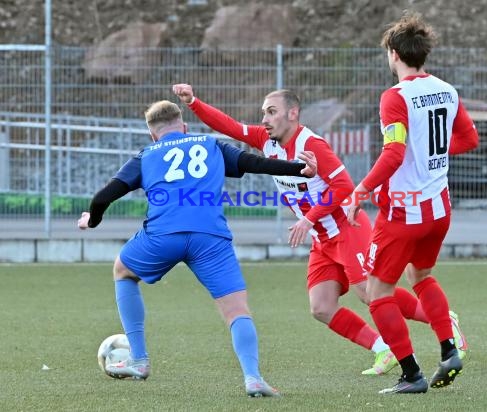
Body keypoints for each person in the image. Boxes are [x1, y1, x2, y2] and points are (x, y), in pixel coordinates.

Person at [172, 83, 468, 376]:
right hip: (322, 238)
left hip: (346, 228)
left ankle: (441, 320)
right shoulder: (266, 140)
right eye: (264, 112)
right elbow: (229, 126)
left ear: (293, 114)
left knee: (369, 292)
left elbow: (343, 187)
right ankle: (383, 348)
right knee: (321, 306)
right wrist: (193, 101)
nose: (264, 119)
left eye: (271, 112)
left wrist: (308, 218)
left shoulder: (312, 145)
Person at [77, 100, 319, 397]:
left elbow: (104, 196)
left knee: (123, 271)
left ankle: (139, 360)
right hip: (210, 238)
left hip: (163, 235)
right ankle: (253, 378)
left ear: (153, 134)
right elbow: (253, 163)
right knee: (236, 311)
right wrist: (299, 169)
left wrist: (93, 219)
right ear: (185, 126)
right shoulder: (211, 144)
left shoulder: (147, 154)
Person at [346, 11, 479, 394]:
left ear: (393, 53)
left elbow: (392, 154)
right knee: (420, 277)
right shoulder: (446, 90)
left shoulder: (395, 96)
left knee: (377, 293)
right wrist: (429, 152)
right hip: (439, 208)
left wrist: (362, 189)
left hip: (405, 212)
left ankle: (411, 375)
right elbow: (469, 140)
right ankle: (449, 350)